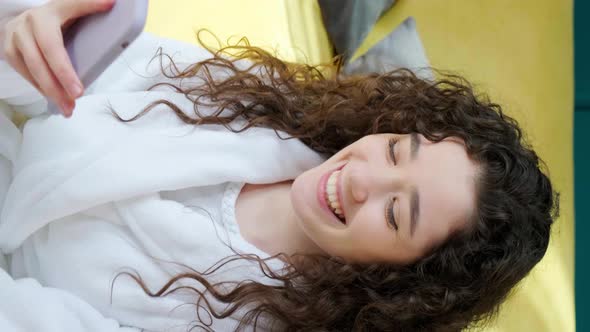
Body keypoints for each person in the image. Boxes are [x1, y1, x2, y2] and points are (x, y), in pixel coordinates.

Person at [0, 0, 559, 331]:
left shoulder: (262, 320)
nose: (362, 179)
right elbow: (76, 76)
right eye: (395, 151)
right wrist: (34, 32)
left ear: (404, 280)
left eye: (395, 214)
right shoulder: (269, 105)